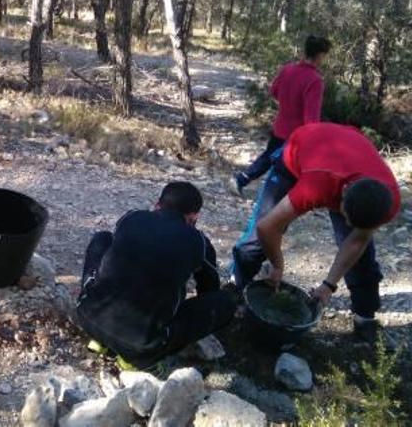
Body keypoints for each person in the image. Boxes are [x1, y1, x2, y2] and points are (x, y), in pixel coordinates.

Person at [231, 123, 401, 344]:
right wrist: (277, 264)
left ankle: (365, 318)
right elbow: (267, 227)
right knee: (256, 241)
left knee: (363, 260)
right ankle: (235, 290)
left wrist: (329, 285)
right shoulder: (317, 184)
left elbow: (357, 241)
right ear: (343, 195)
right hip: (300, 152)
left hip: (347, 159)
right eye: (345, 215)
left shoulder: (386, 201)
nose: (347, 223)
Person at [76, 182, 235, 369]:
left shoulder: (132, 217)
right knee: (226, 302)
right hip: (141, 346)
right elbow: (209, 290)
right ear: (193, 217)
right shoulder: (199, 242)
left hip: (87, 316)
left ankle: (102, 340)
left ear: (157, 205)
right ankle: (143, 360)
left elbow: (118, 248)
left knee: (102, 238)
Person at [235, 35, 331, 195]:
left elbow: (274, 91)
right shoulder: (315, 80)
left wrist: (288, 103)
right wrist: (314, 138)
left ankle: (242, 179)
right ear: (320, 55)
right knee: (284, 166)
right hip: (296, 134)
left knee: (270, 157)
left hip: (280, 126)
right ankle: (281, 199)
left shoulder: (288, 69)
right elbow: (311, 117)